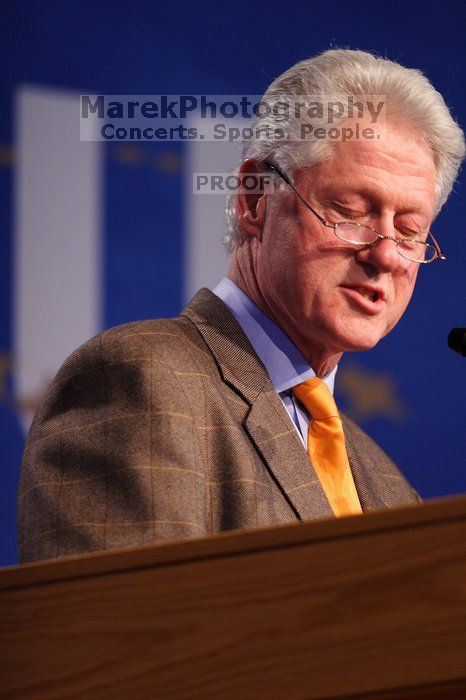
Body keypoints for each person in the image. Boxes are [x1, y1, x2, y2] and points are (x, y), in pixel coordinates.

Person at [17, 49, 465, 562]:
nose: (386, 253)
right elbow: (116, 635)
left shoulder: (387, 485)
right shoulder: (140, 380)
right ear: (255, 200)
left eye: (410, 232)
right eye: (351, 212)